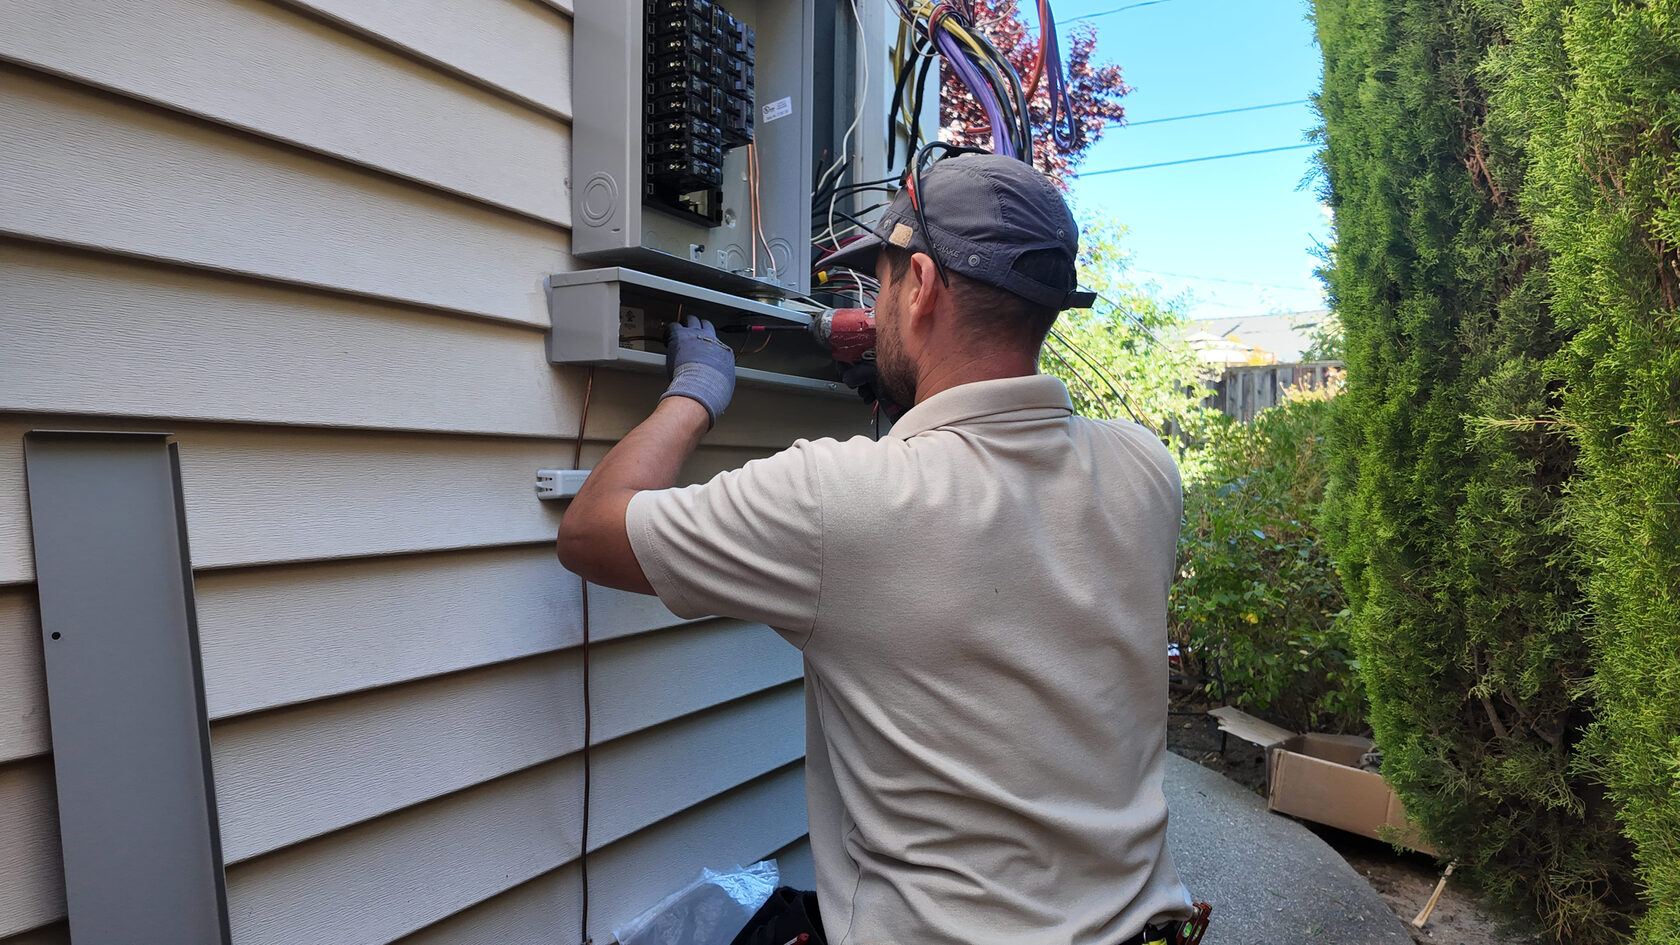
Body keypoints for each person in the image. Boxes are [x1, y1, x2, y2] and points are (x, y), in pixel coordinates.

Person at [557, 152, 1196, 945]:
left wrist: (692, 396)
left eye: (883, 282)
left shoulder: (840, 498)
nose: (875, 304)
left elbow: (589, 530)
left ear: (922, 285)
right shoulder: (1147, 466)